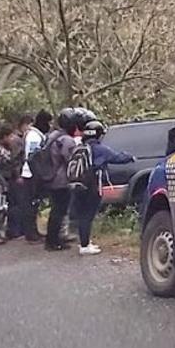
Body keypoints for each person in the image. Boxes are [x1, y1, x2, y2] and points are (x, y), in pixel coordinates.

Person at [70, 120, 135, 255]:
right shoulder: (100, 149)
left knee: (82, 215)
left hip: (77, 185)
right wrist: (131, 157)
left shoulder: (79, 148)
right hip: (92, 186)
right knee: (88, 216)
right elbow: (117, 157)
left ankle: (84, 242)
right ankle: (85, 246)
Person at [43, 108, 78, 251]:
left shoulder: (53, 136)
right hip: (61, 180)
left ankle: (53, 239)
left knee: (55, 210)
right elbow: (70, 159)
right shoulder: (67, 140)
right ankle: (53, 241)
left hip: (51, 177)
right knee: (59, 211)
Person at [18, 110, 51, 243]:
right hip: (31, 174)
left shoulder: (37, 134)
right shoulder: (34, 136)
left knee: (34, 205)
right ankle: (30, 235)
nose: (50, 125)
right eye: (49, 122)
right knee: (30, 205)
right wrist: (39, 175)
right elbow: (33, 157)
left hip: (34, 173)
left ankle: (34, 232)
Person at [4, 120, 26, 241]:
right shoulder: (17, 140)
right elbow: (16, 159)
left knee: (14, 203)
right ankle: (15, 230)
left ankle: (13, 229)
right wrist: (18, 175)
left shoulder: (15, 139)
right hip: (15, 177)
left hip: (11, 176)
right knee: (17, 203)